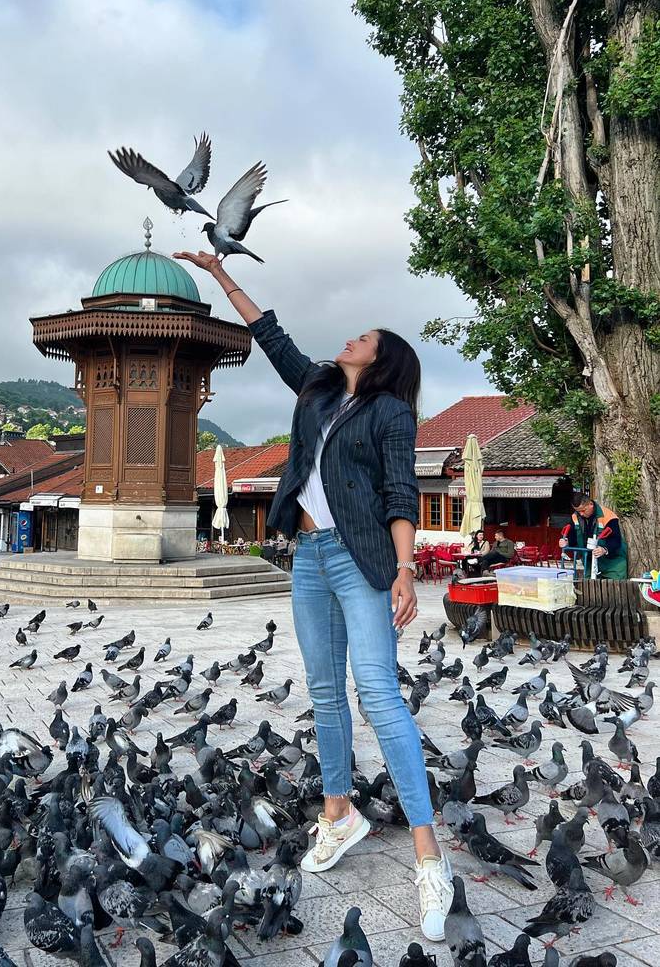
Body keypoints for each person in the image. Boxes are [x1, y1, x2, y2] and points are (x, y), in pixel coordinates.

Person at [174, 249, 454, 942]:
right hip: (309, 558)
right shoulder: (319, 392)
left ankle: (429, 856)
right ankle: (338, 813)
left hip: (360, 560)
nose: (351, 339)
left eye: (364, 338)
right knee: (325, 692)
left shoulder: (390, 412)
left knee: (380, 695)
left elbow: (397, 491)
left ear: (383, 359)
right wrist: (218, 273)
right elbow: (272, 335)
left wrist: (404, 567)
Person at [559, 492, 629, 579]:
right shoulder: (575, 517)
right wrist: (566, 542)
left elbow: (616, 539)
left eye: (583, 510)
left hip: (613, 564)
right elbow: (572, 537)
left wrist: (604, 549)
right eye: (578, 511)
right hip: (589, 563)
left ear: (591, 504)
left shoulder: (608, 516)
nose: (581, 514)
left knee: (614, 589)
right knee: (590, 590)